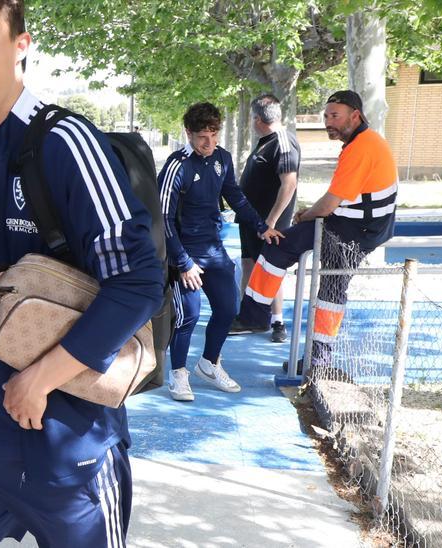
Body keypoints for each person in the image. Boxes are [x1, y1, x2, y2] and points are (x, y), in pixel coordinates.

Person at [0, 0, 163, 545]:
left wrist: (41, 378)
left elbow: (139, 279)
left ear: (21, 45)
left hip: (72, 447)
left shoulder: (65, 143)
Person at [235, 90, 398, 372]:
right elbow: (339, 197)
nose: (327, 122)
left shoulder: (361, 147)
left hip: (350, 231)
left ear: (355, 116)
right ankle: (317, 361)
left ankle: (255, 315)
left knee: (278, 247)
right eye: (325, 116)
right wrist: (313, 213)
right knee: (330, 295)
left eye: (334, 116)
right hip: (358, 227)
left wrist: (304, 216)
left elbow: (328, 205)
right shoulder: (364, 142)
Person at [158, 103, 283, 402]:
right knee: (188, 314)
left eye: (214, 135)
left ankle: (208, 364)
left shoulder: (222, 159)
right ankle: (178, 374)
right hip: (184, 254)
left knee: (227, 310)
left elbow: (236, 198)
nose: (209, 142)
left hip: (213, 249)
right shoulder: (177, 165)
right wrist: (183, 262)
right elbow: (161, 218)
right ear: (188, 133)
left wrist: (261, 226)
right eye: (202, 135)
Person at [227, 94, 300, 343]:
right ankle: (247, 316)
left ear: (257, 119)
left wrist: (271, 221)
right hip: (250, 218)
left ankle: (277, 321)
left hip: (268, 222)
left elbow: (289, 184)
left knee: (270, 269)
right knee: (249, 263)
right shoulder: (264, 142)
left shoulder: (283, 141)